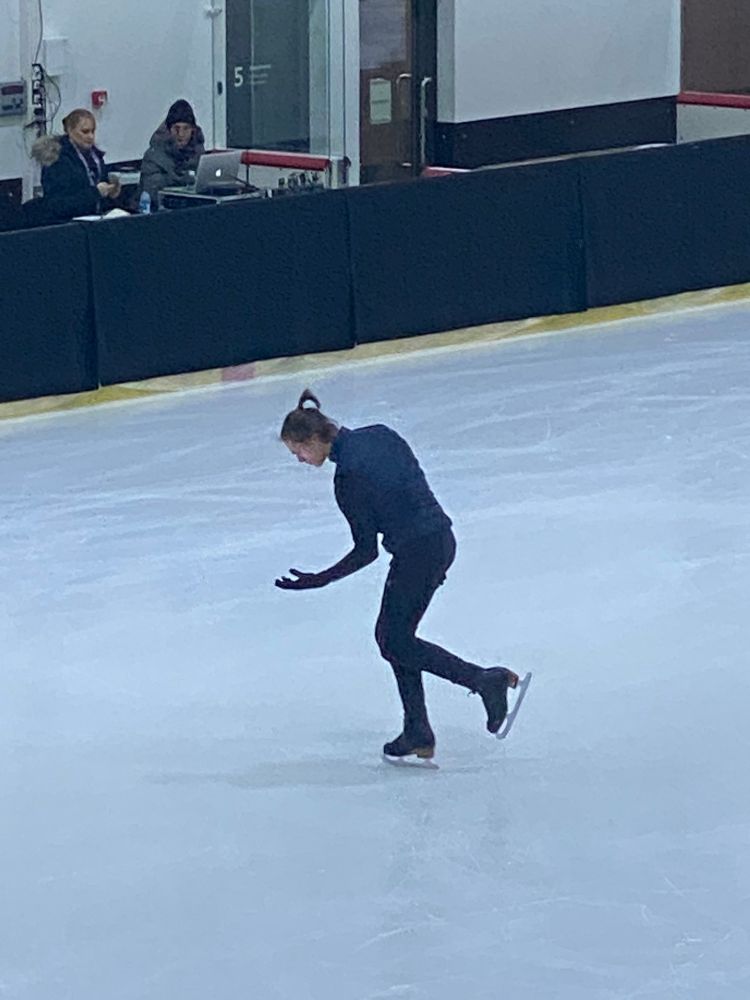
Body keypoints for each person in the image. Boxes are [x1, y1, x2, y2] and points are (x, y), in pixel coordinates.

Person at [275, 389, 521, 761]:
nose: (300, 460)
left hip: (417, 554)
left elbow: (366, 551)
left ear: (313, 440)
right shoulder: (381, 433)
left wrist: (319, 579)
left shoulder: (347, 478)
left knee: (393, 640)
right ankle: (417, 730)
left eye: (299, 452)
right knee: (395, 637)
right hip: (441, 541)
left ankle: (485, 679)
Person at [31, 109, 121, 222]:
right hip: (65, 223)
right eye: (85, 132)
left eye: (93, 131)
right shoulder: (56, 160)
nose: (91, 136)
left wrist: (111, 193)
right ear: (70, 130)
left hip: (94, 218)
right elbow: (58, 204)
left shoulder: (96, 156)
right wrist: (95, 193)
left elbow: (100, 190)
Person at [138, 99, 205, 207]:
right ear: (168, 130)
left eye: (186, 129)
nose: (181, 134)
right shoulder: (153, 156)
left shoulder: (199, 154)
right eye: (176, 129)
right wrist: (184, 179)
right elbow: (152, 190)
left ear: (193, 130)